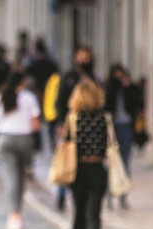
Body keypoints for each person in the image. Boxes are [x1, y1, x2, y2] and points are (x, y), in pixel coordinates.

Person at [0, 71, 40, 229]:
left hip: (5, 139)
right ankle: (18, 213)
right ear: (22, 83)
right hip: (25, 140)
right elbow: (36, 124)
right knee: (20, 177)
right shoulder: (29, 97)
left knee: (11, 178)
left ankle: (14, 216)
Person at [65, 79, 108, 229]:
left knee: (79, 214)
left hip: (78, 171)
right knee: (95, 215)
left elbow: (66, 143)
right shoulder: (104, 119)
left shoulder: (73, 118)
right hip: (98, 168)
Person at [54, 46, 95, 211]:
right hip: (70, 123)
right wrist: (60, 123)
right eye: (81, 56)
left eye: (87, 57)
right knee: (65, 158)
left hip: (89, 126)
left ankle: (85, 194)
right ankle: (62, 193)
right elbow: (60, 100)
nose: (84, 60)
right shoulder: (69, 77)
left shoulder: (93, 78)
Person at [103, 64, 142, 209]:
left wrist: (128, 87)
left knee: (125, 161)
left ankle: (123, 195)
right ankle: (109, 195)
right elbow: (106, 105)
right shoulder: (109, 89)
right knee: (112, 161)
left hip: (126, 127)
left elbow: (138, 104)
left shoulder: (130, 89)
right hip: (112, 129)